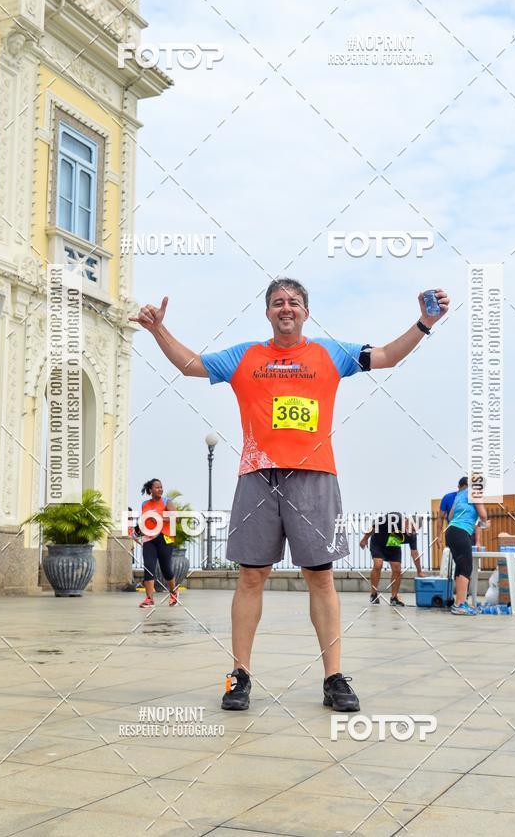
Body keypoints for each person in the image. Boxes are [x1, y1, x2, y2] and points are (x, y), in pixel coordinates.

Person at [129, 280, 449, 711]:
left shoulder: (329, 353)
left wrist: (425, 323)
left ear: (306, 312)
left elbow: (387, 356)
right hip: (257, 476)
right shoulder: (245, 355)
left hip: (315, 477)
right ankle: (239, 675)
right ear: (267, 312)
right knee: (250, 577)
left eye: (294, 303)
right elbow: (191, 365)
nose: (286, 308)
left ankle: (333, 677)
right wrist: (158, 331)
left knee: (321, 577)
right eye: (278, 302)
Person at [446, 477, 488, 615]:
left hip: (451, 531)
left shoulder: (460, 495)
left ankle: (459, 603)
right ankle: (460, 604)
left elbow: (451, 515)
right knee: (466, 567)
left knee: (459, 567)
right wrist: (484, 523)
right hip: (461, 531)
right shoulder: (475, 492)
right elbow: (483, 515)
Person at [137, 478, 179, 608]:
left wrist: (159, 518)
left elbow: (176, 518)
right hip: (149, 539)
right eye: (157, 487)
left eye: (161, 487)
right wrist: (138, 529)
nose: (160, 489)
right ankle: (149, 599)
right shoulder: (145, 504)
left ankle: (173, 593)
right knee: (148, 567)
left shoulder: (167, 502)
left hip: (164, 538)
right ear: (150, 490)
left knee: (166, 569)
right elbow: (144, 519)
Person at [360, 512, 406, 606]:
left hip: (393, 543)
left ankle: (394, 598)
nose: (411, 531)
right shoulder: (394, 517)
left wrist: (419, 571)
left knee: (397, 568)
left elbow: (414, 552)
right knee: (378, 565)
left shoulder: (411, 534)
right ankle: (373, 594)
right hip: (378, 543)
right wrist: (365, 539)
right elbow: (375, 525)